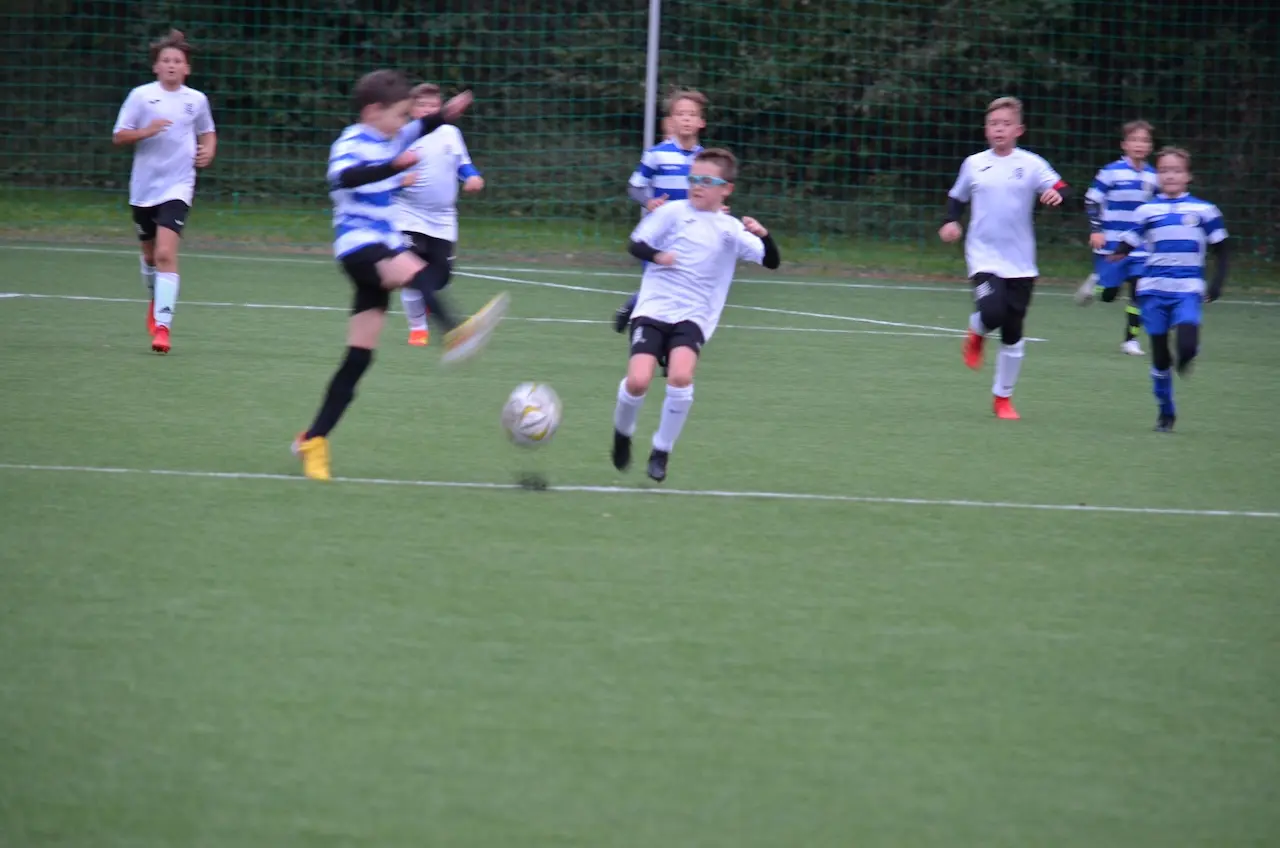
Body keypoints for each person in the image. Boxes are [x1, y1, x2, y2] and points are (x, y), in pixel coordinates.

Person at [293, 70, 508, 481]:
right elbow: (346, 177)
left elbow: (421, 127)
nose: (404, 122)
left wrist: (446, 114)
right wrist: (393, 166)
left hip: (382, 244)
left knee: (359, 357)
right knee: (415, 270)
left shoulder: (393, 135)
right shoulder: (351, 142)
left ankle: (313, 439)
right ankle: (453, 331)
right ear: (373, 111)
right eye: (399, 115)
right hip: (359, 245)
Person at [610, 148, 781, 482]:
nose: (697, 186)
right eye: (693, 179)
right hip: (653, 308)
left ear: (726, 189)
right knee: (638, 380)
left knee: (680, 377)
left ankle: (661, 450)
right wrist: (658, 256)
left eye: (706, 181)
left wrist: (764, 235)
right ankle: (622, 433)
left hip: (694, 315)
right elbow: (635, 243)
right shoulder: (672, 212)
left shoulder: (730, 229)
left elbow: (771, 261)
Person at [939, 96, 1068, 420]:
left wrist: (1056, 193)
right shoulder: (974, 164)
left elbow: (1062, 187)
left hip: (1021, 261)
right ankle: (977, 331)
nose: (999, 129)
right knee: (992, 312)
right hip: (983, 256)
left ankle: (1002, 399)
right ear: (986, 129)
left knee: (1013, 331)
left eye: (1006, 124)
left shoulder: (1031, 164)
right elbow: (957, 197)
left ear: (1019, 130)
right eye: (993, 124)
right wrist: (951, 221)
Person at [111, 29, 216, 354]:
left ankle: (163, 327)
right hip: (144, 188)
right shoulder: (141, 96)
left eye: (177, 61)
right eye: (166, 60)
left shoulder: (196, 100)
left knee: (165, 254)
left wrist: (208, 150)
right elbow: (119, 136)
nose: (171, 65)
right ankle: (155, 297)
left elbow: (208, 131)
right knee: (149, 256)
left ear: (187, 68)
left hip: (178, 186)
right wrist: (147, 131)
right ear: (156, 66)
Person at [1109, 147, 1228, 432]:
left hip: (1187, 290)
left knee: (1186, 346)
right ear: (1157, 176)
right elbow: (1128, 243)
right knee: (1161, 356)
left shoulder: (1204, 211)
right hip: (1153, 291)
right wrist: (1113, 260)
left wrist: (1217, 284)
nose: (1170, 176)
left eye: (1176, 170)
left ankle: (1187, 356)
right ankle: (1166, 412)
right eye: (1163, 170)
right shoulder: (1147, 211)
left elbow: (1223, 250)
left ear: (1188, 176)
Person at [395, 83, 485, 346]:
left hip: (443, 218)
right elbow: (385, 170)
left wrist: (473, 177)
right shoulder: (404, 135)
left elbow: (462, 164)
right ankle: (419, 329)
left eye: (433, 105)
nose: (428, 109)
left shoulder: (451, 133)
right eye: (422, 105)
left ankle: (433, 310)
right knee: (414, 273)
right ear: (411, 109)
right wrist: (399, 181)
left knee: (441, 276)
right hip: (407, 214)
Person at [612, 90, 708, 333]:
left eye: (692, 114)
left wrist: (717, 207)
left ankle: (637, 309)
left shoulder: (706, 159)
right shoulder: (656, 154)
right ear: (671, 121)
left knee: (682, 287)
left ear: (701, 122)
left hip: (691, 235)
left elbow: (710, 193)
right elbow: (634, 186)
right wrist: (648, 202)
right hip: (659, 234)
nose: (686, 119)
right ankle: (639, 320)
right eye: (680, 114)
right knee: (658, 285)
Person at [1075, 120, 1159, 355]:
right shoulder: (1111, 172)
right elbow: (1092, 200)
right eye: (1134, 140)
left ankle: (1130, 340)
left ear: (1150, 146)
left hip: (1140, 246)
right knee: (1109, 295)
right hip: (1112, 244)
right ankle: (1097, 283)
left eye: (1144, 140)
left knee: (1139, 290)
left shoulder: (1154, 177)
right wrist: (1096, 230)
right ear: (1124, 145)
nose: (1139, 144)